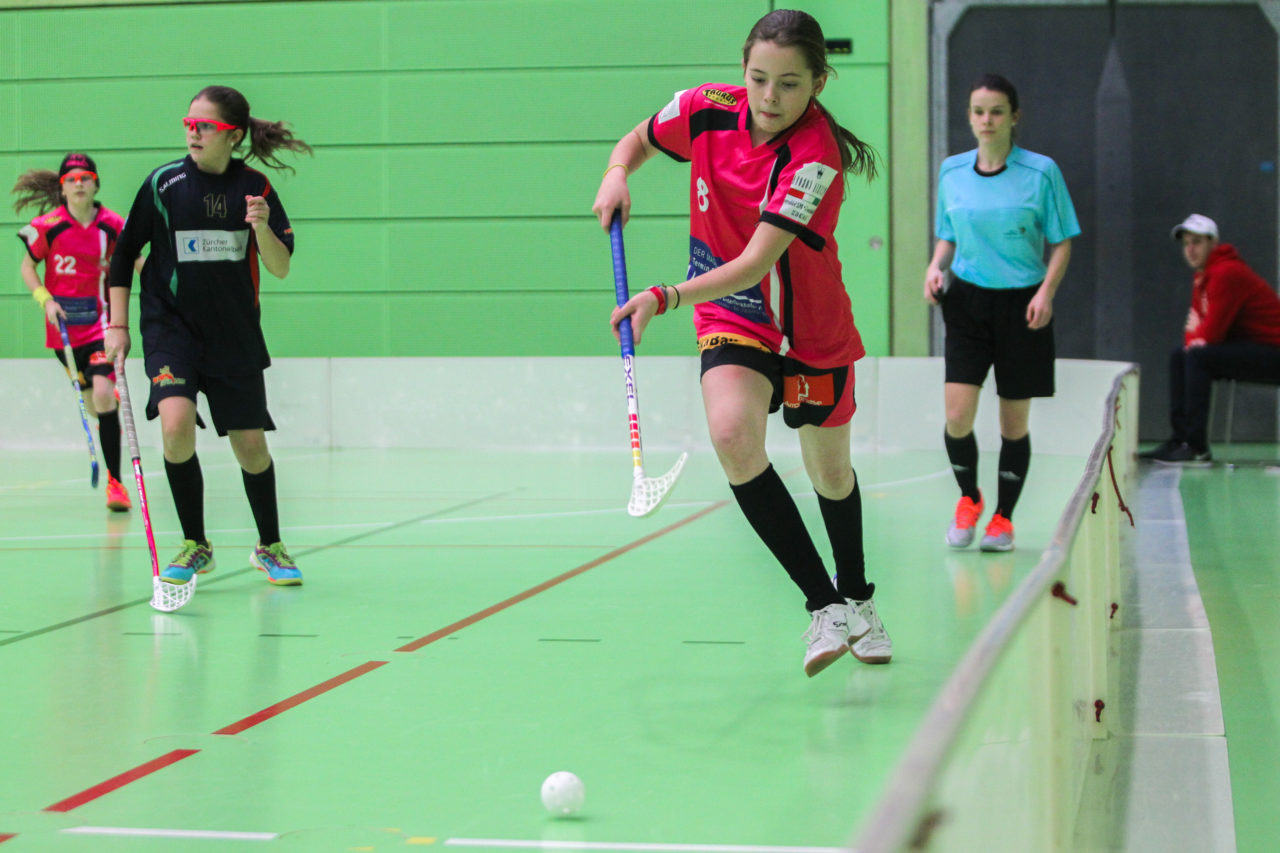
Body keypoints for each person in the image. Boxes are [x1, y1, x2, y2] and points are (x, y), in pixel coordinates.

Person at [593, 9, 891, 676]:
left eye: (789, 84)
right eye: (758, 79)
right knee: (732, 434)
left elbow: (757, 261)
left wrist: (663, 297)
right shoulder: (705, 109)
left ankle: (857, 596)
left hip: (810, 329)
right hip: (733, 316)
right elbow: (639, 139)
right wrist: (618, 170)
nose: (769, 98)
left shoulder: (815, 155)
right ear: (742, 70)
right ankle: (824, 606)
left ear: (819, 82)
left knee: (830, 473)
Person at [104, 85, 311, 588]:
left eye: (205, 126)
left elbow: (280, 267)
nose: (193, 133)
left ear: (233, 136)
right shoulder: (165, 184)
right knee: (175, 425)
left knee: (250, 446)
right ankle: (195, 543)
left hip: (234, 334)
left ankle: (269, 545)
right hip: (170, 329)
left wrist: (261, 228)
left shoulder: (256, 188)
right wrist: (118, 325)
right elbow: (124, 254)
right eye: (189, 124)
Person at [924, 74, 1080, 553]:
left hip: (1022, 306)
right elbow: (948, 233)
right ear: (969, 117)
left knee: (1014, 423)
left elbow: (1062, 242)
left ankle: (1003, 520)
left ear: (1014, 117)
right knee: (957, 415)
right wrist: (935, 266)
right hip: (967, 304)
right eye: (978, 111)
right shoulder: (952, 171)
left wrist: (1046, 293)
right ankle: (969, 499)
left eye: (996, 111)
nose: (986, 120)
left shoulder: (1041, 172)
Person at [14, 153, 131, 512]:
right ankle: (107, 408)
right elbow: (27, 267)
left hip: (100, 326)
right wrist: (45, 300)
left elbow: (133, 261)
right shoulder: (48, 226)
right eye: (71, 179)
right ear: (62, 188)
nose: (79, 183)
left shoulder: (112, 225)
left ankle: (116, 483)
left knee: (103, 394)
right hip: (64, 333)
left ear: (96, 184)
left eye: (85, 177)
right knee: (96, 406)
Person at [1139, 214, 1280, 463]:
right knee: (1181, 355)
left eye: (1197, 242)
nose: (1190, 250)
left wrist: (1197, 333)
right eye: (1186, 244)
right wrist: (1197, 333)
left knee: (1197, 357)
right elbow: (1193, 336)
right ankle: (1180, 440)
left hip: (1273, 352)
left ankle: (1196, 447)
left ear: (1213, 243)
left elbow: (1210, 334)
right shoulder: (1203, 276)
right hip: (1257, 348)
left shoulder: (1227, 273)